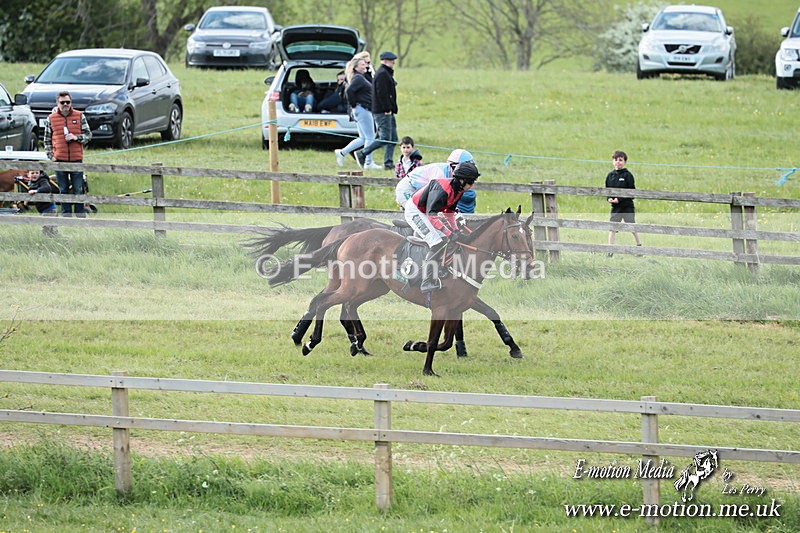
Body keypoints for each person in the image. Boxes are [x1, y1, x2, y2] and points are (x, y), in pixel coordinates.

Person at [404, 160, 480, 293]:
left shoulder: (458, 190)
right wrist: (448, 232)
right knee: (436, 243)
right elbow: (432, 215)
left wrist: (455, 230)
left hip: (426, 212)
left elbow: (449, 213)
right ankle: (426, 282)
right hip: (415, 211)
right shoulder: (443, 189)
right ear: (461, 180)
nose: (472, 185)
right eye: (470, 181)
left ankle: (438, 270)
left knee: (446, 240)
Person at [44, 91, 91, 217]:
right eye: (62, 102)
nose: (65, 104)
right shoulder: (51, 118)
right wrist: (51, 156)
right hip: (59, 159)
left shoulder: (80, 116)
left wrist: (76, 138)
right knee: (63, 189)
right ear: (57, 103)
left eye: (68, 102)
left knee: (78, 189)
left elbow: (88, 135)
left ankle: (80, 215)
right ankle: (66, 216)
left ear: (71, 103)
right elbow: (47, 139)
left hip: (76, 159)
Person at [334, 57, 381, 170]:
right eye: (362, 64)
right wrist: (355, 105)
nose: (365, 65)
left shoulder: (360, 77)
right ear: (355, 67)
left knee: (363, 138)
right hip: (363, 110)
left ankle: (342, 153)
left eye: (365, 64)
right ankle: (369, 163)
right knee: (370, 137)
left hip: (362, 110)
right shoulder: (358, 78)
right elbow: (349, 91)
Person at [355, 51, 398, 170]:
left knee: (393, 138)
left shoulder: (385, 73)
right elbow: (382, 93)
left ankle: (388, 163)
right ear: (384, 61)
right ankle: (363, 153)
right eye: (391, 60)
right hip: (383, 111)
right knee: (384, 137)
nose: (393, 62)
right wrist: (387, 108)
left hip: (387, 110)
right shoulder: (382, 74)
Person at [395, 148, 473, 208]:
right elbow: (433, 198)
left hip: (417, 190)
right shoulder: (440, 174)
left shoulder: (450, 173)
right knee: (419, 214)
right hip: (408, 188)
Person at [605, 149, 642, 256]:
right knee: (612, 227)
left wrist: (620, 199)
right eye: (616, 160)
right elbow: (607, 190)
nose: (618, 162)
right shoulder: (610, 175)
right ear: (612, 161)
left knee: (631, 226)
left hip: (627, 206)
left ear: (625, 161)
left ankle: (639, 246)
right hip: (615, 207)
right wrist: (609, 198)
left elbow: (632, 192)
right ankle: (610, 250)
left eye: (620, 160)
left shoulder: (627, 175)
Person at [24, 170, 59, 236]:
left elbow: (47, 188)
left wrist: (36, 191)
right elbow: (32, 195)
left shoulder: (43, 180)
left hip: (49, 209)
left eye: (37, 173)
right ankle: (60, 240)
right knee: (51, 230)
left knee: (46, 228)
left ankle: (56, 241)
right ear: (28, 175)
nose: (35, 174)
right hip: (43, 210)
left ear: (40, 174)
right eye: (32, 173)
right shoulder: (31, 183)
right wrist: (27, 200)